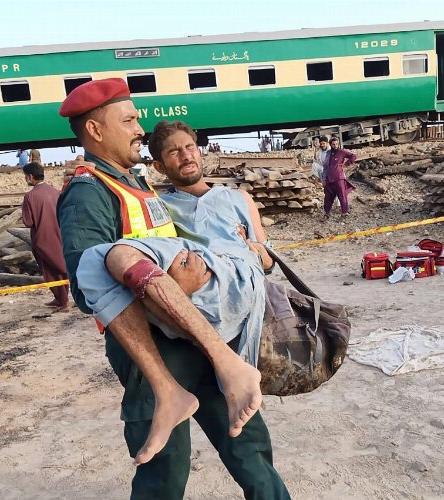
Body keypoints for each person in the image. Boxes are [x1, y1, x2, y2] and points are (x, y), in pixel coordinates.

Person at [56, 79, 288, 499]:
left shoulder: (136, 183)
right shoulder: (88, 192)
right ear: (95, 130)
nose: (138, 128)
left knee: (250, 447)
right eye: (128, 120)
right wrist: (170, 288)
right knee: (164, 475)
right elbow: (85, 287)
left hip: (197, 334)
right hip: (154, 353)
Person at [21, 161, 69, 312]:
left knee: (50, 271)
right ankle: (61, 298)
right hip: (60, 235)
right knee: (61, 267)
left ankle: (62, 301)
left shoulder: (30, 196)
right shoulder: (55, 192)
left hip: (42, 238)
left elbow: (28, 222)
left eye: (25, 177)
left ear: (30, 177)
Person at [322, 136, 356, 219]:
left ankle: (344, 213)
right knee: (328, 197)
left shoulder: (342, 152)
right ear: (330, 145)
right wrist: (324, 178)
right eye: (333, 144)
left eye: (337, 144)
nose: (335, 145)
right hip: (329, 179)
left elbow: (353, 156)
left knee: (342, 195)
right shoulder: (328, 153)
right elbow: (325, 167)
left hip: (339, 178)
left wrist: (347, 163)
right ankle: (326, 213)